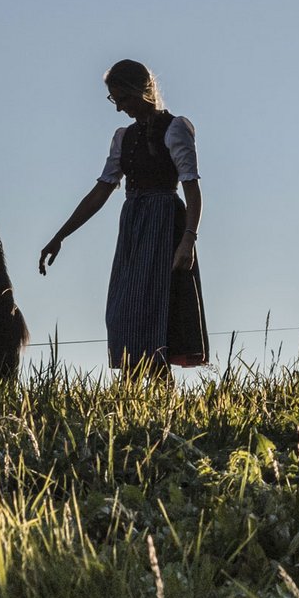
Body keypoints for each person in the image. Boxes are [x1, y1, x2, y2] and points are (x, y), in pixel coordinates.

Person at [39, 60, 207, 379]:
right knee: (122, 311)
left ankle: (152, 393)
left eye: (124, 99)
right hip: (133, 227)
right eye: (114, 101)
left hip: (164, 224)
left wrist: (189, 239)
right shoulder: (123, 137)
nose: (120, 109)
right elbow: (100, 192)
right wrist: (60, 235)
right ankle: (136, 392)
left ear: (142, 91)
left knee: (154, 310)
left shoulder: (175, 128)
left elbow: (192, 188)